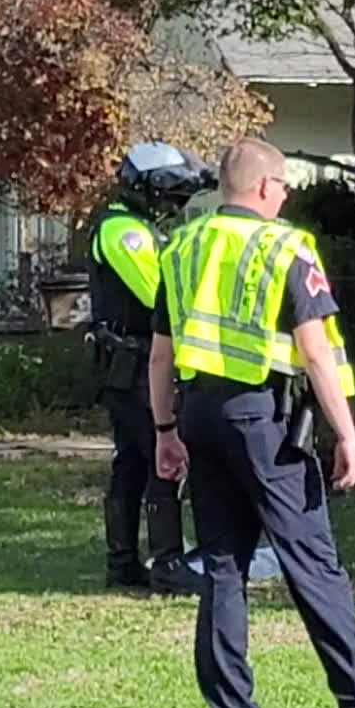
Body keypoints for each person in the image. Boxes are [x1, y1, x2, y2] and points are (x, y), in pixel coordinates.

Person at [149, 136, 355, 708]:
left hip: (200, 416)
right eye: (285, 184)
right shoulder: (284, 246)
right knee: (312, 560)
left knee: (222, 563)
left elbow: (160, 355)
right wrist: (347, 433)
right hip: (263, 420)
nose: (289, 194)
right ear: (265, 187)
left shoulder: (182, 247)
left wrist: (165, 428)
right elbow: (316, 353)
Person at [87, 142, 205, 595]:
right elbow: (159, 293)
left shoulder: (134, 226)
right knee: (160, 459)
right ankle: (167, 562)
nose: (172, 200)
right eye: (166, 188)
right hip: (133, 363)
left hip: (129, 361)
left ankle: (124, 563)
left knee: (134, 464)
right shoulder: (124, 232)